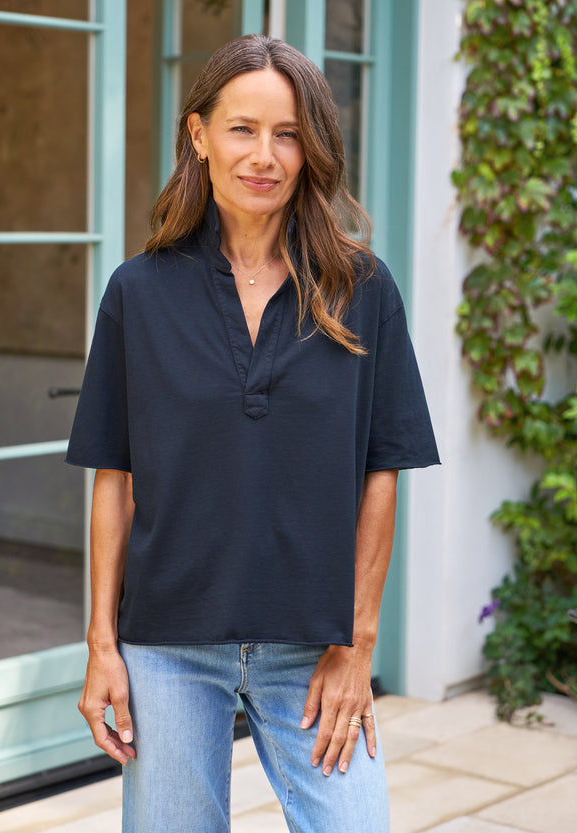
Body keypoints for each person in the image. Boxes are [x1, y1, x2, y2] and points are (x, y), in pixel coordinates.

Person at [66, 34, 439, 833]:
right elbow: (113, 476)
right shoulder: (139, 291)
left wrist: (359, 643)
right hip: (167, 641)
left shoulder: (363, 288)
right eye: (242, 129)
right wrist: (102, 645)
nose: (264, 155)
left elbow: (383, 470)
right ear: (199, 136)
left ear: (311, 150)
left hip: (314, 645)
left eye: (289, 133)